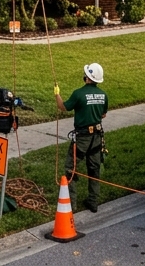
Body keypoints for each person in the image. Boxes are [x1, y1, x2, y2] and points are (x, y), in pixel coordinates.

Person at [55, 62, 109, 212]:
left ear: (87, 77)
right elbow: (103, 114)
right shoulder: (104, 95)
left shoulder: (78, 93)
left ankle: (71, 203)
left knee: (70, 168)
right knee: (94, 169)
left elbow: (63, 107)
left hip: (82, 138)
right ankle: (93, 201)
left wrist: (56, 94)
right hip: (96, 137)